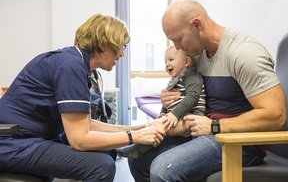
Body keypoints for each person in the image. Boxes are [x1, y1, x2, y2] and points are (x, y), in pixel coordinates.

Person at [128, 0, 287, 182]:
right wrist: (175, 96)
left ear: (197, 25)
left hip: (241, 143)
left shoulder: (243, 52)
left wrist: (214, 126)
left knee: (163, 170)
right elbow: (197, 93)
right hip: (206, 133)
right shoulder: (199, 54)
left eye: (178, 39)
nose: (178, 48)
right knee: (138, 158)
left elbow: (277, 115)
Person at [0, 14, 167, 182]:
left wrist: (139, 128)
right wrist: (134, 137)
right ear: (103, 44)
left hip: (30, 138)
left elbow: (88, 124)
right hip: (14, 144)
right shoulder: (71, 66)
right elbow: (79, 140)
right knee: (101, 166)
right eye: (122, 46)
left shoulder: (74, 62)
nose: (122, 54)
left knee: (107, 150)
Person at [116, 45, 205, 158]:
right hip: (179, 115)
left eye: (171, 60)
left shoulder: (193, 76)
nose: (167, 64)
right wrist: (163, 112)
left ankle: (138, 149)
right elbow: (169, 102)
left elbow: (192, 97)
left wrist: (174, 114)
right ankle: (136, 144)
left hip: (191, 116)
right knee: (156, 126)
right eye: (165, 62)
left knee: (157, 128)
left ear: (186, 61)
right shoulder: (176, 79)